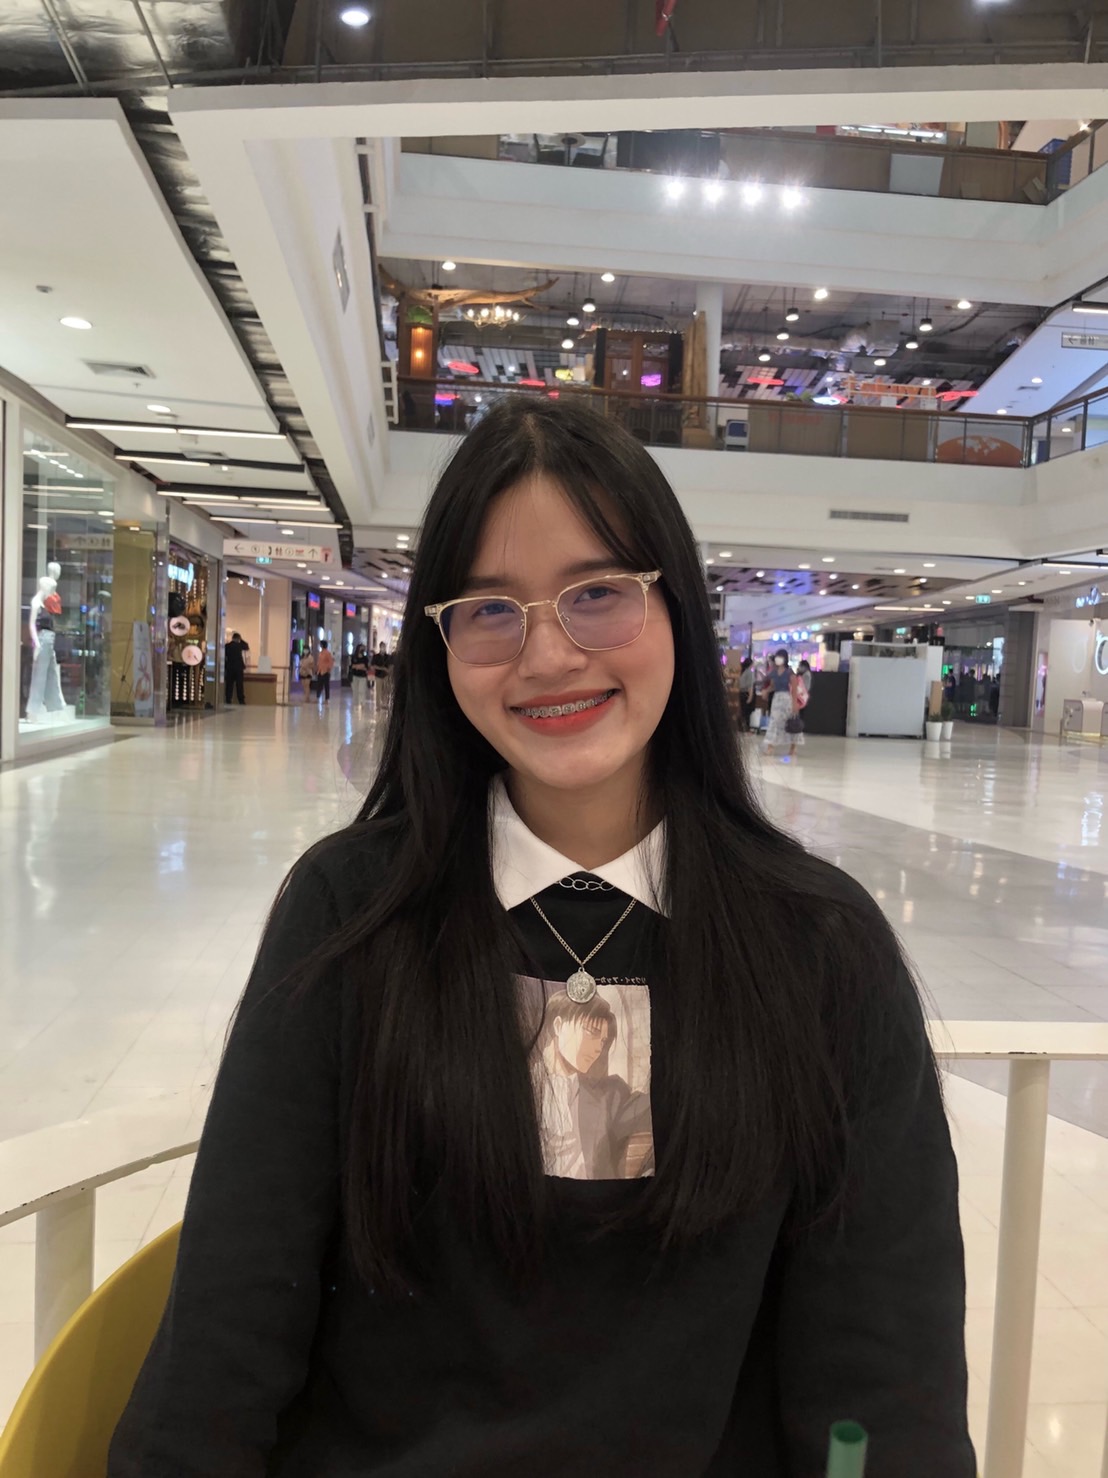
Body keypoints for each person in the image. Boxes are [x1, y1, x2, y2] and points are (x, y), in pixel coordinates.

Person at [108, 397, 974, 1478]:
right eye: (489, 609)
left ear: (676, 606)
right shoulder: (351, 915)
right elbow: (226, 1334)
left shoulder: (820, 948)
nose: (550, 654)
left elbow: (884, 1376)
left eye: (598, 592)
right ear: (440, 643)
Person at [760, 647, 804, 758]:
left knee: (790, 722)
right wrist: (766, 691)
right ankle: (770, 747)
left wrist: (794, 703)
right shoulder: (774, 672)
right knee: (774, 722)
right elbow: (772, 685)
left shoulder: (790, 672)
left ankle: (793, 747)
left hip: (787, 699)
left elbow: (794, 688)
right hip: (777, 699)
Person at [223, 632, 247, 707]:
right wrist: (241, 640)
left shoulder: (227, 646)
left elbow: (224, 656)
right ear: (238, 638)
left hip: (230, 668)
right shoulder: (239, 645)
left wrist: (226, 665)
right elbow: (246, 646)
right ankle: (241, 700)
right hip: (238, 668)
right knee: (239, 685)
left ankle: (228, 699)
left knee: (229, 685)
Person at [737, 655, 755, 732]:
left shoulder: (743, 671)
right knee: (747, 712)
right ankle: (746, 728)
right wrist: (750, 696)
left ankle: (742, 727)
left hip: (741, 693)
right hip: (746, 693)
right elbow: (750, 686)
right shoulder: (749, 672)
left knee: (743, 710)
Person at [372, 641, 392, 708]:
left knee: (386, 690)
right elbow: (373, 666)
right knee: (378, 691)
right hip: (378, 676)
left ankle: (385, 704)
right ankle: (378, 705)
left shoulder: (388, 657)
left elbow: (391, 665)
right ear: (380, 647)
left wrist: (389, 670)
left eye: (384, 647)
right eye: (382, 646)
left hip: (386, 676)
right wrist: (382, 668)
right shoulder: (376, 656)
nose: (384, 648)